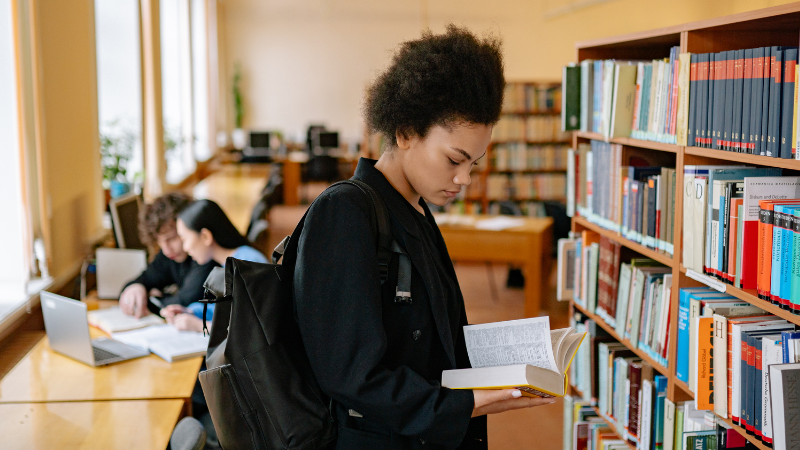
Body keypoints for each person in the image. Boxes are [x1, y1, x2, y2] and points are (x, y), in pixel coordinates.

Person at [293, 25, 554, 450]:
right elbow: (348, 373)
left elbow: (433, 335)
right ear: (405, 133)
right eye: (455, 159)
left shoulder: (415, 208)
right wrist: (463, 404)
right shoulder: (346, 213)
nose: (465, 178)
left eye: (475, 163)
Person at [161, 199, 268, 332]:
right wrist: (189, 312)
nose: (185, 248)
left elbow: (252, 330)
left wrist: (200, 326)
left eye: (184, 239)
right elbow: (223, 311)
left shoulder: (248, 263)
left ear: (205, 236)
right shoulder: (227, 265)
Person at [120, 192, 217, 318]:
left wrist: (151, 299)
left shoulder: (205, 256)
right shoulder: (170, 255)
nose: (166, 250)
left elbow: (185, 302)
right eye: (159, 241)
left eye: (171, 238)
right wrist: (136, 287)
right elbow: (144, 279)